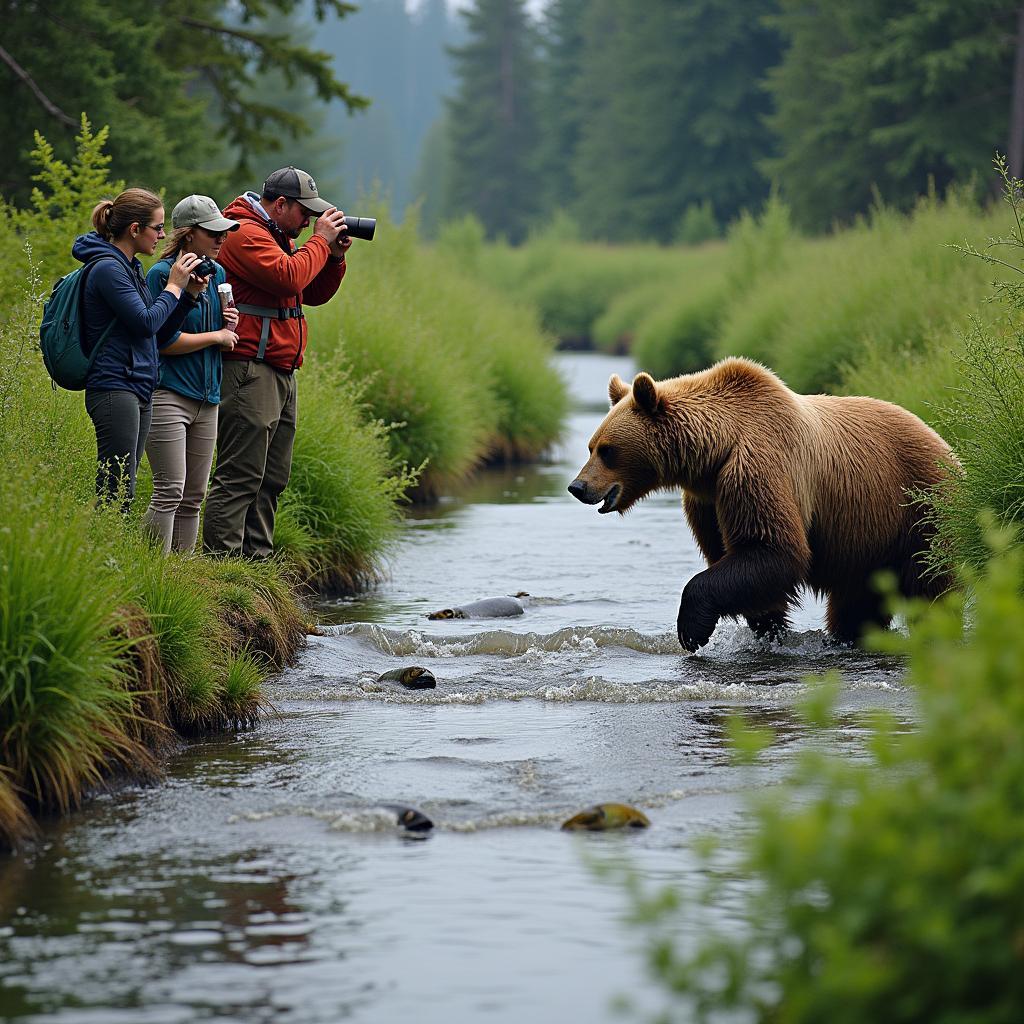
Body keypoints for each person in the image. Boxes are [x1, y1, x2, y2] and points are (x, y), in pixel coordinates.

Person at [202, 166, 352, 558]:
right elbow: (288, 277)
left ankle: (257, 562)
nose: (309, 220)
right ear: (280, 204)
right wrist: (319, 242)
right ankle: (224, 565)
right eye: (305, 212)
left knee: (271, 477)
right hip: (249, 367)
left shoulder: (279, 235)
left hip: (280, 368)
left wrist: (333, 257)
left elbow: (311, 293)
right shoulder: (241, 231)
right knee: (240, 474)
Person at [74, 188, 207, 508]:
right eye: (158, 228)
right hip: (113, 384)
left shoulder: (131, 267)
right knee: (116, 487)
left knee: (125, 483)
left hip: (138, 383)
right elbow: (145, 322)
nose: (163, 236)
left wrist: (187, 296)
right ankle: (100, 552)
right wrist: (173, 285)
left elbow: (158, 335)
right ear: (134, 229)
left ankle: (110, 552)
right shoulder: (108, 269)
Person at [142, 196, 241, 554]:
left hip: (208, 397)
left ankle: (181, 576)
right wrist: (216, 336)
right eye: (212, 232)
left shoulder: (218, 274)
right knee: (169, 490)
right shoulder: (160, 275)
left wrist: (227, 325)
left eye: (224, 231)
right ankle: (154, 573)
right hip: (169, 393)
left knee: (194, 496)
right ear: (187, 235)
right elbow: (162, 342)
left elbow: (213, 332)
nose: (221, 238)